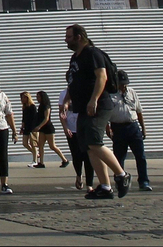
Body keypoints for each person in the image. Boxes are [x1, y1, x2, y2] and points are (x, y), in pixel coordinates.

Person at [64, 23, 129, 200]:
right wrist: (67, 100)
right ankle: (105, 187)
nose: (65, 40)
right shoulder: (75, 58)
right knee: (88, 146)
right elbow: (74, 82)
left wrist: (94, 100)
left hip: (99, 105)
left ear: (79, 37)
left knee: (94, 141)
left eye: (69, 37)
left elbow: (102, 77)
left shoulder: (93, 53)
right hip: (83, 107)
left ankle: (122, 175)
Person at [110, 70, 152, 191]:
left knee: (140, 156)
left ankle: (144, 181)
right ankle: (120, 181)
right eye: (121, 83)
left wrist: (143, 128)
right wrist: (108, 130)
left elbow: (138, 111)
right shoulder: (110, 94)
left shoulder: (131, 92)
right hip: (118, 127)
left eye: (125, 83)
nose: (123, 86)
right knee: (119, 158)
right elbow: (106, 114)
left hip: (133, 126)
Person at [60, 87, 88, 189]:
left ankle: (89, 183)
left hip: (84, 128)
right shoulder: (63, 94)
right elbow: (61, 112)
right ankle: (79, 175)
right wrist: (65, 127)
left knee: (87, 155)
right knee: (76, 155)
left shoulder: (86, 90)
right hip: (72, 129)